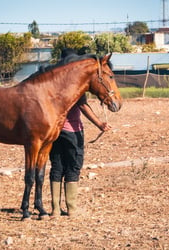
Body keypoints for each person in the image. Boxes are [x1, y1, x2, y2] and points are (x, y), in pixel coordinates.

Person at [49, 49, 111, 218]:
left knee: (57, 166)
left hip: (54, 130)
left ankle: (55, 209)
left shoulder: (53, 81)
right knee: (73, 166)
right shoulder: (74, 83)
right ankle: (72, 208)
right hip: (72, 130)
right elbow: (83, 106)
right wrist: (99, 123)